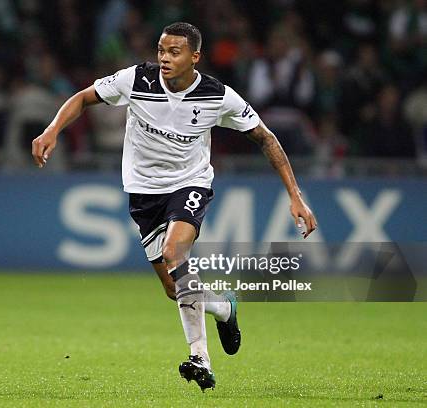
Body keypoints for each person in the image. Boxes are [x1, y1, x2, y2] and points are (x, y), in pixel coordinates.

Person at [32, 22, 317, 391]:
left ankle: (200, 357)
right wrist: (52, 130)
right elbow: (84, 97)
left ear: (195, 57)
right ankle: (224, 307)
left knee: (174, 254)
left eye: (174, 52)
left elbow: (266, 138)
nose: (164, 58)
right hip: (142, 192)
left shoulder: (217, 96)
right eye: (161, 51)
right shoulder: (136, 80)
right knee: (173, 287)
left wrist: (295, 195)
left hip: (190, 183)